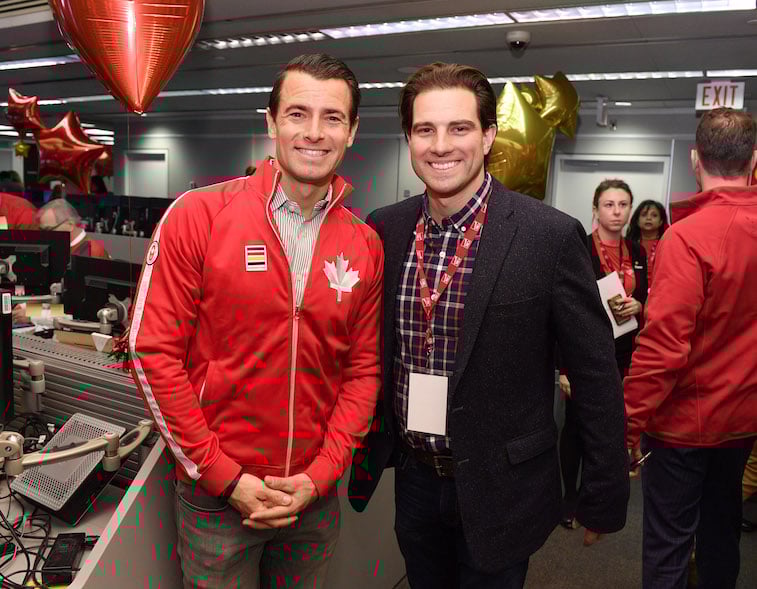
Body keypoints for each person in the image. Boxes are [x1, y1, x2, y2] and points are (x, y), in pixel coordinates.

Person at [348, 62, 628, 588]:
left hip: (505, 486)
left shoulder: (548, 236)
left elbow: (595, 374)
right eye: (425, 130)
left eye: (459, 128)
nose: (441, 146)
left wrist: (604, 493)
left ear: (489, 135)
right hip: (414, 479)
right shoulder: (384, 228)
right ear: (409, 139)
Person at [128, 53, 383, 589]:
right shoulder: (198, 216)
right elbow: (152, 353)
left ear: (352, 131)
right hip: (217, 498)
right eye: (297, 114)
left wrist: (321, 475)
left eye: (333, 118)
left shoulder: (364, 243)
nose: (314, 133)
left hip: (312, 499)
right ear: (270, 122)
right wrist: (222, 475)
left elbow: (363, 372)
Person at [624, 107, 757, 589]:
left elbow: (663, 347)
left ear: (695, 160)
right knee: (721, 537)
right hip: (741, 423)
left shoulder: (687, 236)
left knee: (669, 546)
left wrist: (626, 425)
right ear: (754, 160)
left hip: (683, 426)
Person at [559, 179, 647, 528]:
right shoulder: (580, 246)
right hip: (584, 351)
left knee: (611, 427)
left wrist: (640, 305)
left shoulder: (637, 251)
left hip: (626, 352)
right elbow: (563, 309)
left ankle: (595, 500)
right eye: (609, 205)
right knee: (577, 427)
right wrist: (564, 368)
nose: (617, 212)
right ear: (595, 209)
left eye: (623, 205)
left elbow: (650, 296)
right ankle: (569, 499)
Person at [36, 199, 110, 259]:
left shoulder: (92, 251)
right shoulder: (61, 246)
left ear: (70, 225)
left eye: (48, 230)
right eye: (41, 230)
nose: (44, 235)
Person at [626, 199, 669, 289]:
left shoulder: (667, 243)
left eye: (654, 215)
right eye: (644, 215)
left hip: (659, 290)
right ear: (637, 220)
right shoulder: (628, 245)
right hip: (634, 292)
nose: (648, 218)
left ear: (661, 221)